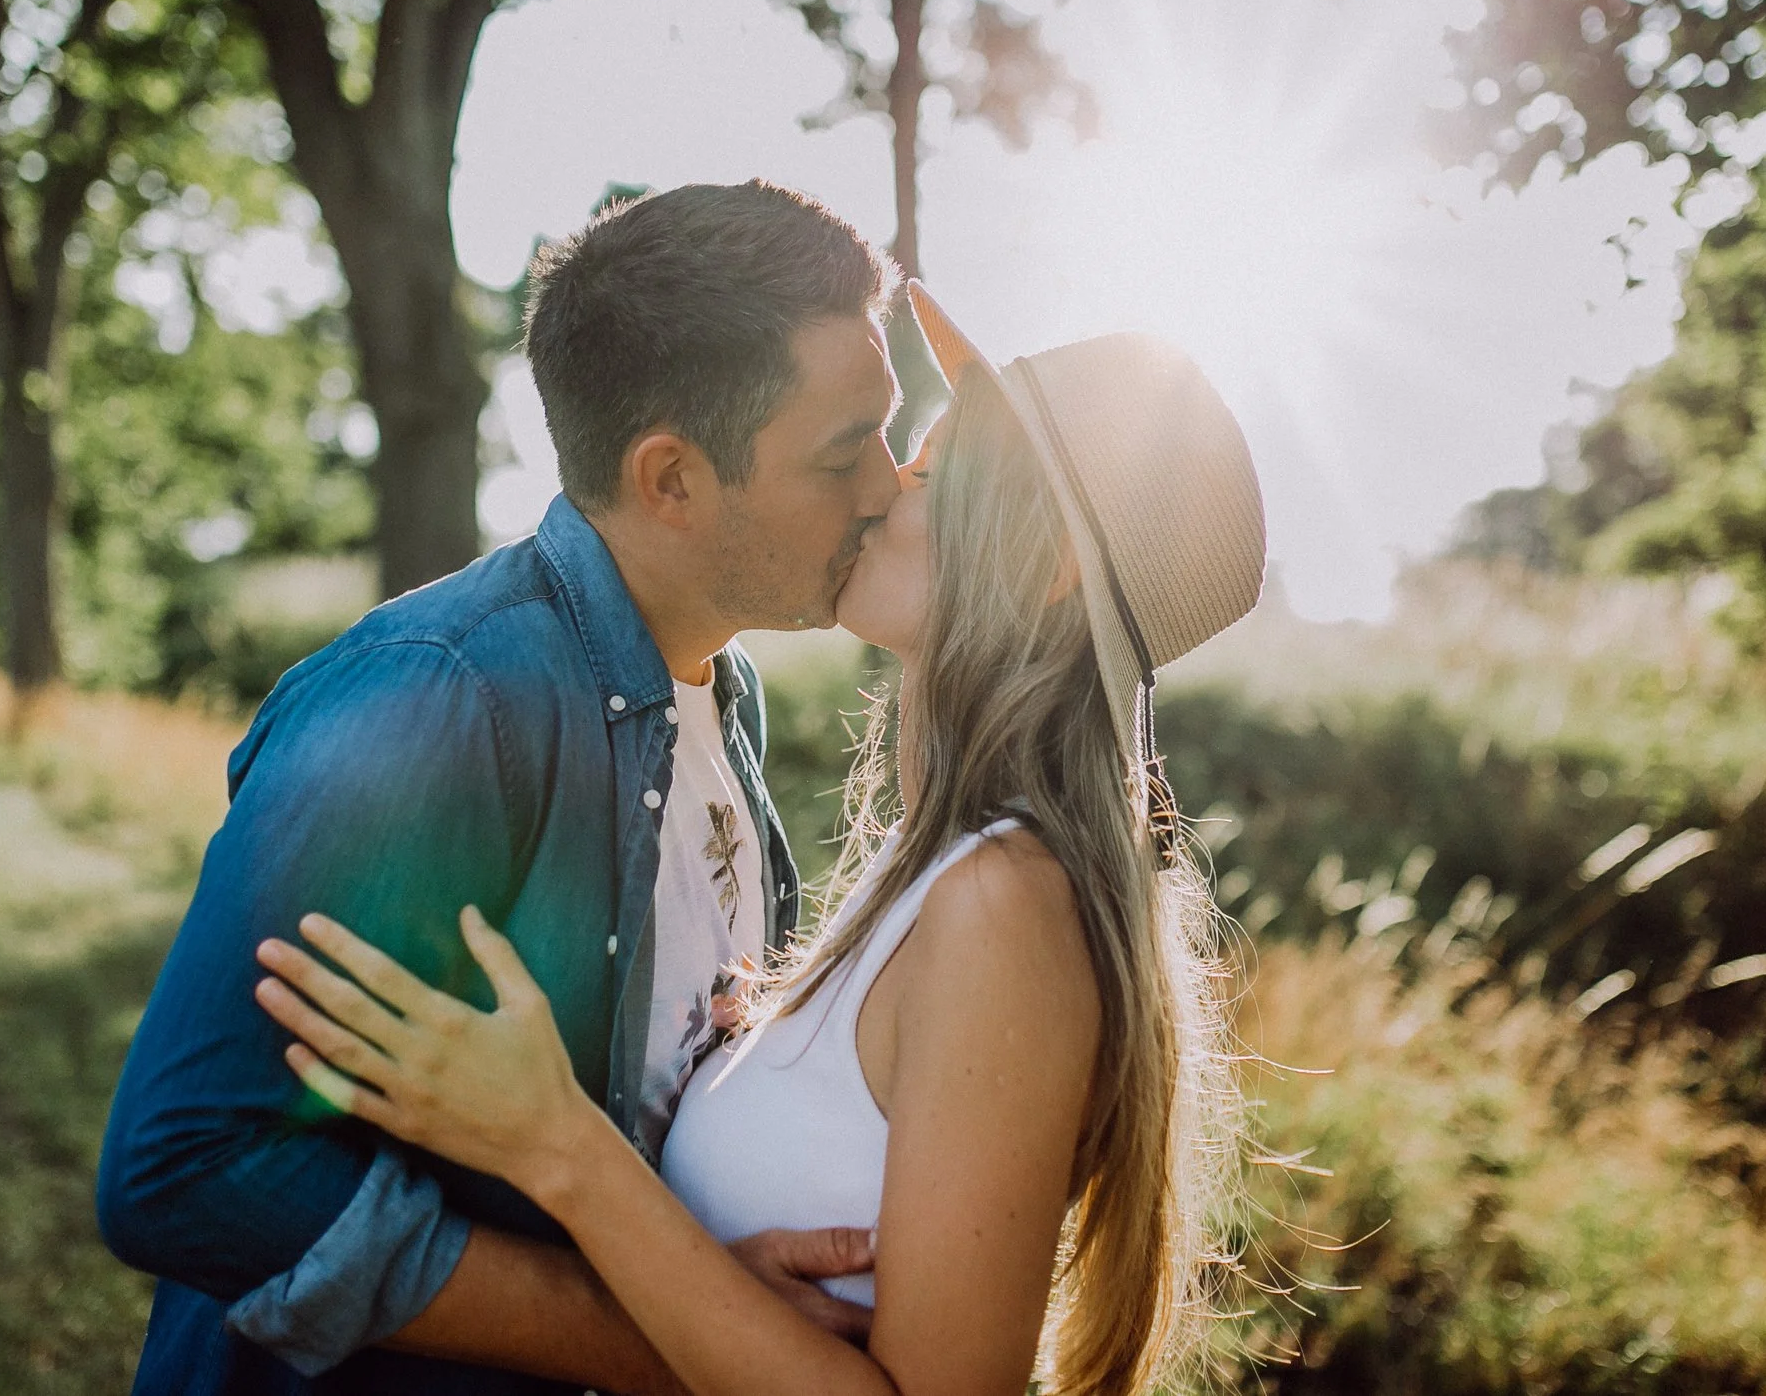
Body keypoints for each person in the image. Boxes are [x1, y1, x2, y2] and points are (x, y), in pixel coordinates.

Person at [251, 288, 1268, 1396]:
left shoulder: (1004, 902)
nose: (883, 492)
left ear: (1048, 565)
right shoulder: (926, 870)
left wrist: (557, 1142)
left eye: (932, 471)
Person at [97, 181, 912, 1394]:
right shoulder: (439, 702)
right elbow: (184, 1166)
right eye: (845, 452)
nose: (890, 486)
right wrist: (666, 1346)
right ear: (672, 479)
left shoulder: (720, 700)